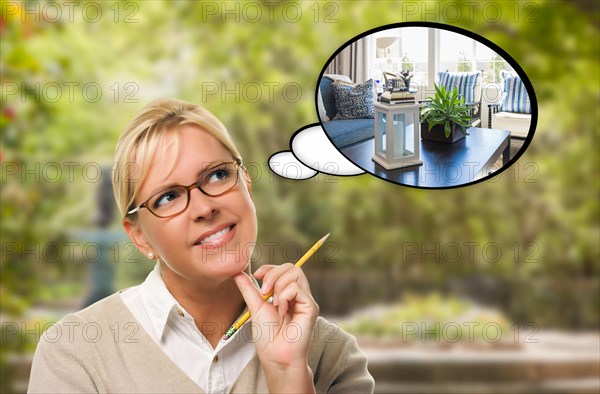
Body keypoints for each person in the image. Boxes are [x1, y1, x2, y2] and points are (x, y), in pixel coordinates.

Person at [28, 98, 375, 393]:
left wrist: (287, 376)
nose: (205, 207)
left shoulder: (332, 356)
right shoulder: (75, 352)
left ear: (247, 187)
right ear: (139, 236)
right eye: (168, 197)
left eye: (217, 175)